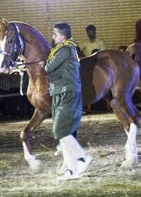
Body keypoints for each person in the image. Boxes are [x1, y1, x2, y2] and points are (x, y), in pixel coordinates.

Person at [44, 22, 92, 180]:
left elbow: (48, 68)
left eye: (55, 34)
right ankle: (71, 171)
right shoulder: (63, 50)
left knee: (60, 130)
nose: (52, 37)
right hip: (60, 91)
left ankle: (83, 157)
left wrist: (41, 64)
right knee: (64, 132)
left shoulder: (64, 50)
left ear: (63, 37)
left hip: (66, 92)